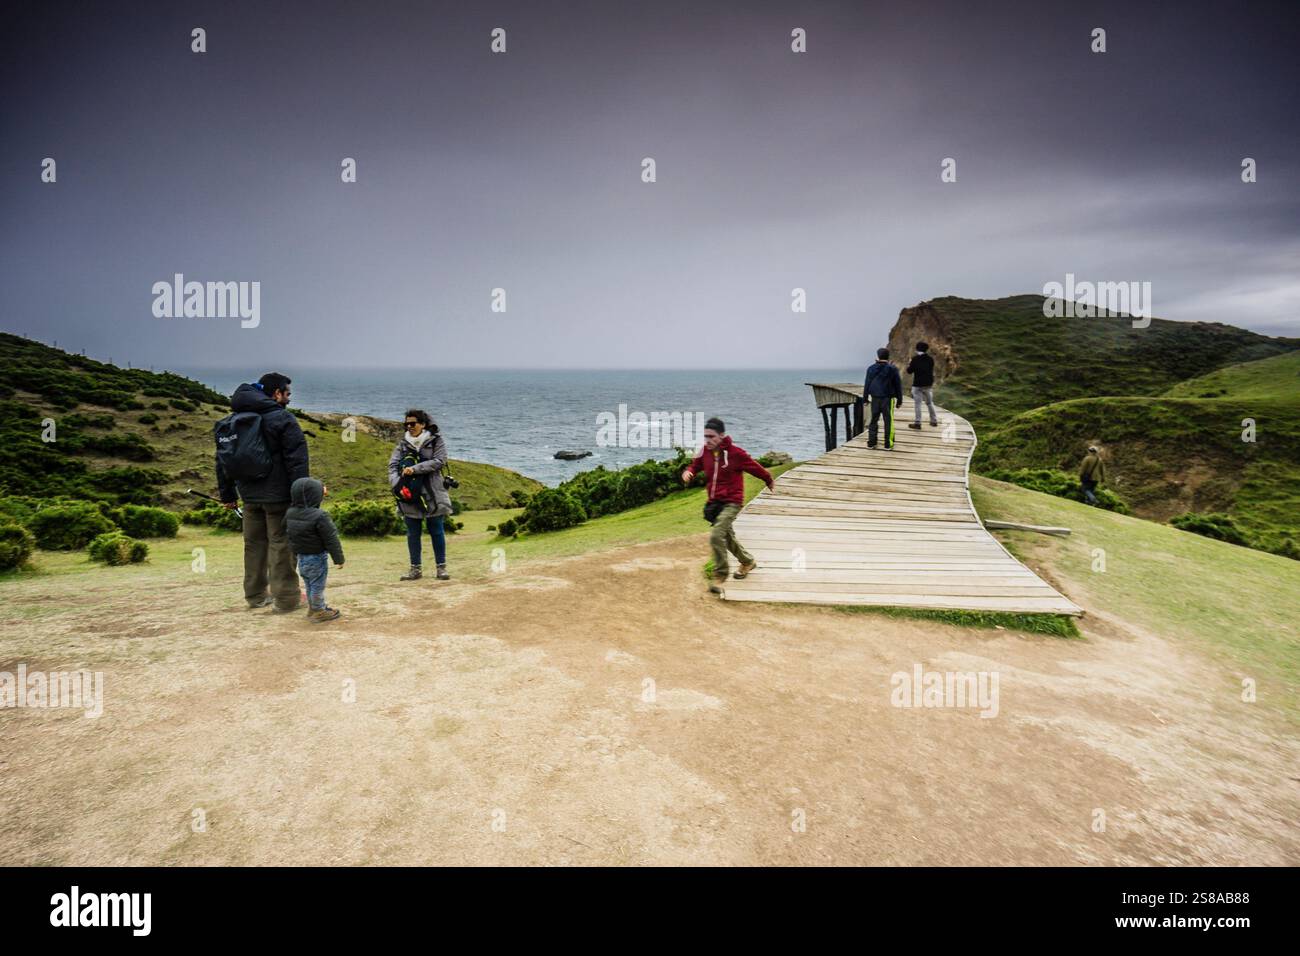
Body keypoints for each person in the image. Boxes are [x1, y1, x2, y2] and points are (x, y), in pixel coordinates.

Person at [216, 372, 309, 612]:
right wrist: (302, 497)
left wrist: (228, 495)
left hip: (249, 496)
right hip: (278, 496)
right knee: (281, 544)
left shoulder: (235, 419)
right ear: (276, 393)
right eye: (287, 393)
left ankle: (256, 596)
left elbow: (222, 460)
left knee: (254, 545)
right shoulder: (282, 419)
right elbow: (297, 462)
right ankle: (287, 599)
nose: (289, 398)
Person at [681, 417, 775, 594]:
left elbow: (754, 467)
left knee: (717, 535)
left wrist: (768, 479)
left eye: (711, 436)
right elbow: (695, 465)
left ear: (722, 436)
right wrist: (689, 472)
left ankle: (720, 575)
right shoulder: (705, 452)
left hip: (732, 501)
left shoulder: (735, 454)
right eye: (705, 436)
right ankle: (747, 561)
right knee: (727, 536)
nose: (707, 440)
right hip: (714, 503)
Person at [389, 409, 453, 581]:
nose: (409, 427)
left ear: (423, 424)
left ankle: (441, 568)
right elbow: (392, 466)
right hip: (409, 493)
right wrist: (396, 484)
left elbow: (440, 461)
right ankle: (415, 570)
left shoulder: (436, 441)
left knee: (437, 530)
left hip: (432, 491)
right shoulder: (403, 444)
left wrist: (414, 469)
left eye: (413, 423)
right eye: (406, 424)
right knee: (412, 532)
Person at [285, 477, 344, 623]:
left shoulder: (290, 513)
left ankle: (313, 608)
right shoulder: (320, 516)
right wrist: (339, 559)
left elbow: (285, 531)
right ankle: (319, 611)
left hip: (301, 558)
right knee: (317, 585)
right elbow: (331, 538)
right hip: (317, 558)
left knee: (309, 584)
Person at [864, 347, 903, 449]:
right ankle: (888, 444)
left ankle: (872, 443)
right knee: (888, 421)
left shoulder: (871, 368)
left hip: (875, 398)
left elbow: (867, 384)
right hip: (888, 399)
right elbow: (898, 385)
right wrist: (899, 400)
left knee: (873, 420)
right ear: (888, 356)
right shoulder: (892, 369)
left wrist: (865, 398)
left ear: (877, 357)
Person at [906, 341, 939, 430]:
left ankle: (918, 423)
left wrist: (910, 363)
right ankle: (934, 421)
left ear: (917, 349)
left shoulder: (915, 359)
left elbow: (909, 371)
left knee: (918, 404)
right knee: (930, 403)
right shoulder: (930, 359)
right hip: (928, 384)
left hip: (918, 385)